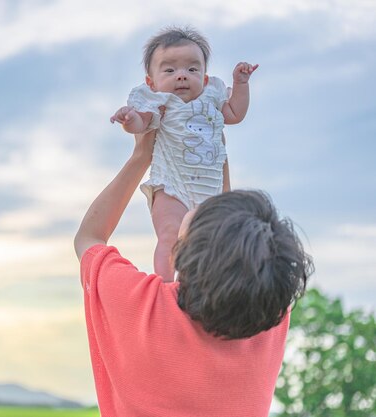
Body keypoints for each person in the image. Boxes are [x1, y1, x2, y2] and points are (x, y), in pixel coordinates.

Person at [73, 130, 313, 417]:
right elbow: (239, 259)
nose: (195, 205)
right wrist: (217, 160)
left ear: (178, 255)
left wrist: (141, 157)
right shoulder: (270, 320)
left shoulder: (141, 305)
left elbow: (89, 237)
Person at [110, 26, 258, 280]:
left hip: (210, 190)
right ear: (151, 82)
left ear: (206, 77)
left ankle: (194, 288)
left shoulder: (212, 96)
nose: (181, 76)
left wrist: (240, 84)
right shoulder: (158, 101)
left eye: (192, 69)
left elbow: (235, 114)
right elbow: (142, 124)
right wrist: (129, 118)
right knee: (170, 234)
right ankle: (167, 286)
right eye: (169, 70)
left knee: (208, 245)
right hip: (172, 185)